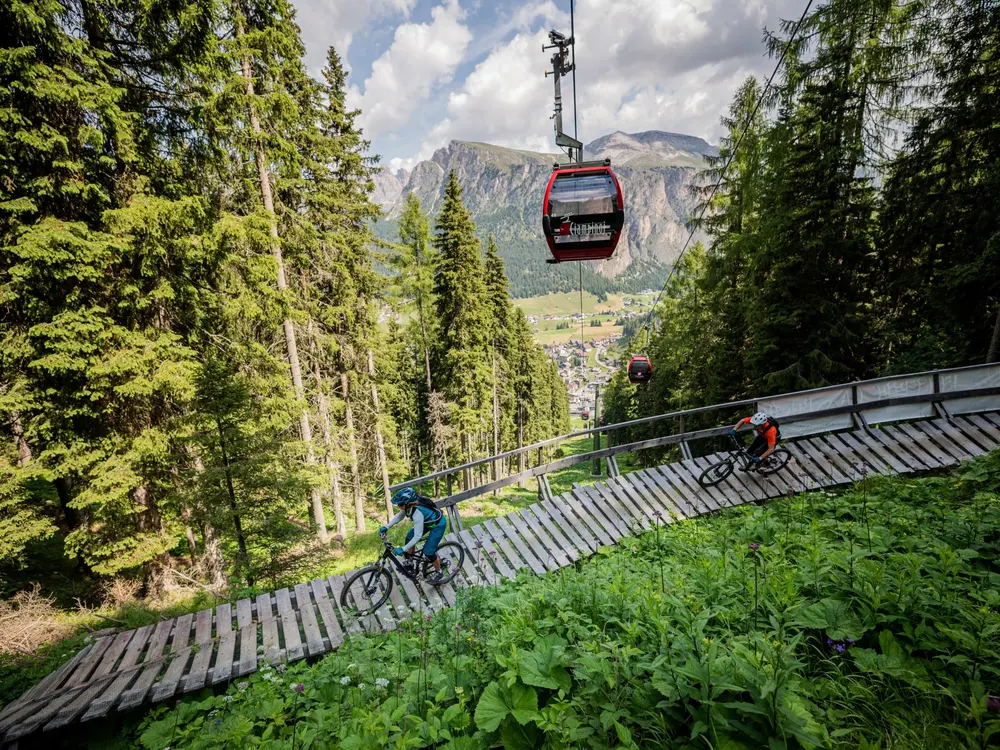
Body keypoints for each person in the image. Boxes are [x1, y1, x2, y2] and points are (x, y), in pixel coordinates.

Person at [380, 487, 447, 581]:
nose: (398, 506)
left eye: (400, 504)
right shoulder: (409, 507)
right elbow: (400, 516)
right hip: (426, 522)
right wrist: (386, 526)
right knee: (409, 536)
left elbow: (417, 536)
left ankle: (439, 572)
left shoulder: (417, 513)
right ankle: (410, 563)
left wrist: (403, 548)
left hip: (437, 525)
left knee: (428, 551)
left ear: (408, 504)